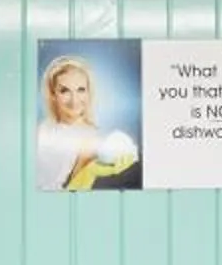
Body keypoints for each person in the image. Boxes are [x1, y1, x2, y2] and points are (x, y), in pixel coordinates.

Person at [35, 55, 142, 191]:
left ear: (89, 92)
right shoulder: (42, 127)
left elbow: (74, 191)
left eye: (81, 90)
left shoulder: (89, 137)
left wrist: (90, 171)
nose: (74, 100)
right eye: (64, 91)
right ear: (53, 94)